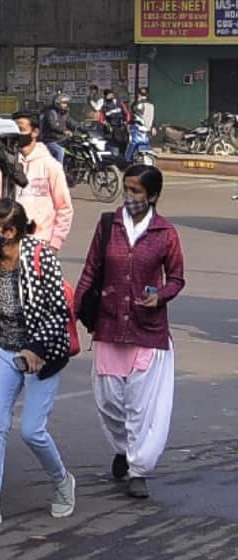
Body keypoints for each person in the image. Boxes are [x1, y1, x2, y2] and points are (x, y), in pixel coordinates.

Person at [74, 166, 184, 499]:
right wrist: (76, 308)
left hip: (147, 331)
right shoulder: (109, 225)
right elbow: (91, 269)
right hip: (109, 326)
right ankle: (123, 447)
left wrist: (160, 296)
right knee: (109, 402)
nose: (130, 197)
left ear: (152, 196)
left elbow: (177, 278)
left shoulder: (166, 233)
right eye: (127, 189)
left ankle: (139, 469)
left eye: (137, 191)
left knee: (141, 404)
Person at [0, 198, 75, 529]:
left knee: (31, 430)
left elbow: (59, 312)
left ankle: (62, 481)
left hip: (44, 355)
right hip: (4, 352)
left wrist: (36, 348)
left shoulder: (40, 257)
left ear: (9, 231)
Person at [0, 112, 74, 253]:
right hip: (10, 243)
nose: (17, 134)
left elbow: (64, 208)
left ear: (35, 132)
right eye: (14, 130)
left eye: (21, 129)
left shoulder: (50, 166)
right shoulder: (5, 167)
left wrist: (54, 243)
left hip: (41, 244)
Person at [39, 94, 74, 164]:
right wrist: (64, 131)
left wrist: (82, 128)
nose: (66, 105)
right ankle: (58, 170)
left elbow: (72, 122)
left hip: (60, 140)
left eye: (66, 103)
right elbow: (53, 125)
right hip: (50, 140)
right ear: (57, 103)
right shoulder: (51, 113)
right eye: (64, 103)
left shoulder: (62, 114)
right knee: (60, 150)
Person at [128, 87, 155, 162]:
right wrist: (153, 127)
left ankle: (130, 159)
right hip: (147, 128)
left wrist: (129, 124)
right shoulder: (151, 104)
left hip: (139, 128)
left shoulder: (136, 104)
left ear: (138, 94)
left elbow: (132, 116)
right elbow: (152, 117)